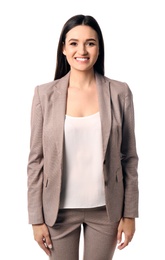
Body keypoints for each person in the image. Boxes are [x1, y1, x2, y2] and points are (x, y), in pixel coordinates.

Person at [27, 14, 139, 260]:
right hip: (58, 213)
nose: (82, 50)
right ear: (64, 49)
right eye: (74, 43)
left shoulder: (120, 93)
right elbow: (36, 160)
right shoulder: (44, 95)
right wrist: (36, 219)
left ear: (99, 49)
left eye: (90, 43)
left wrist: (129, 214)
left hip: (106, 211)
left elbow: (129, 157)